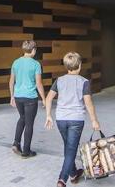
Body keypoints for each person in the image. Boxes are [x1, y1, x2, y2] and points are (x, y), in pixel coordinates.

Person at [45, 52, 101, 187]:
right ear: (80, 66)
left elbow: (48, 98)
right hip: (76, 120)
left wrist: (48, 115)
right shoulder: (84, 82)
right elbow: (88, 103)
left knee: (68, 147)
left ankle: (74, 173)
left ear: (66, 66)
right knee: (71, 149)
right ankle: (62, 179)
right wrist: (94, 120)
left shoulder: (59, 80)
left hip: (61, 119)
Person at [9, 40, 46, 158]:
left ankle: (16, 143)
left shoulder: (16, 62)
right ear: (34, 50)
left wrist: (12, 96)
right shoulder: (36, 64)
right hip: (30, 97)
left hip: (18, 96)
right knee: (29, 124)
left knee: (22, 118)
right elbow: (39, 84)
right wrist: (44, 99)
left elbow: (11, 81)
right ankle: (26, 151)